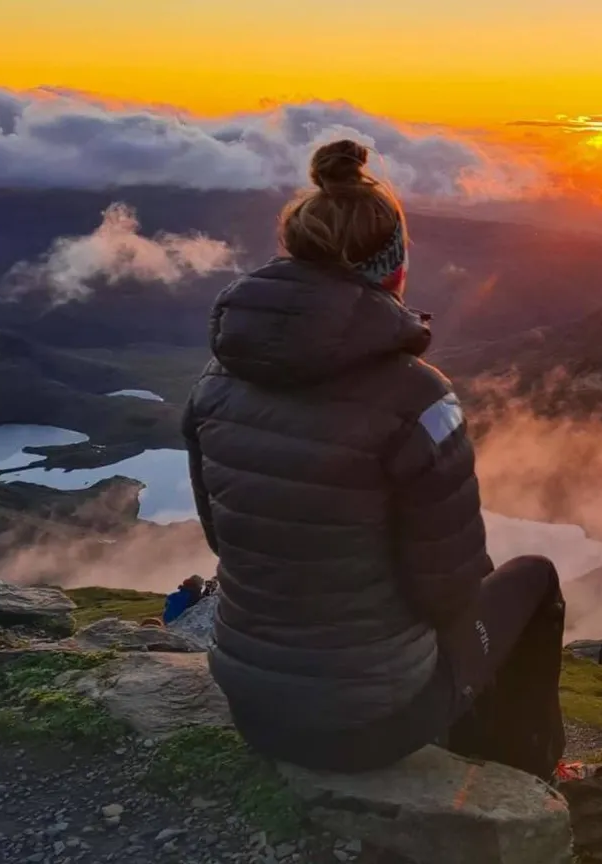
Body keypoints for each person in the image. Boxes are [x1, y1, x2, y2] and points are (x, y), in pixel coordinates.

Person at [182, 139, 567, 780]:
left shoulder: (213, 384)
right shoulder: (418, 397)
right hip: (370, 723)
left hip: (252, 706)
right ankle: (528, 774)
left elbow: (224, 536)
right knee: (534, 582)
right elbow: (450, 590)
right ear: (394, 270)